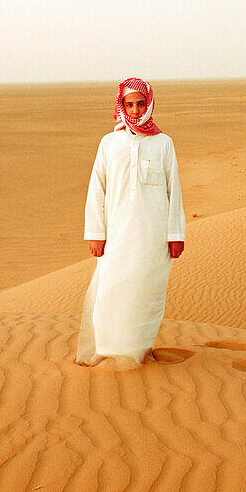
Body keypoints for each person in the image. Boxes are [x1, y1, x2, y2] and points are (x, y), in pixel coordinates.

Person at [75, 77, 185, 369]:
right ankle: (104, 347)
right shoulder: (109, 143)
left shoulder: (163, 143)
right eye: (129, 104)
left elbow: (174, 190)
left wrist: (176, 234)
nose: (135, 111)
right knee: (109, 289)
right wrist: (96, 233)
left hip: (153, 234)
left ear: (149, 104)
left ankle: (142, 347)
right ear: (120, 105)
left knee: (147, 292)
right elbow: (97, 189)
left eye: (140, 104)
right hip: (117, 232)